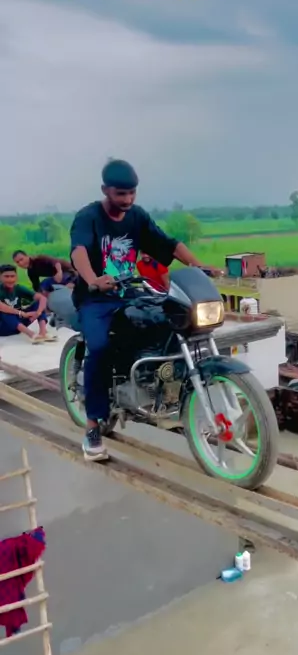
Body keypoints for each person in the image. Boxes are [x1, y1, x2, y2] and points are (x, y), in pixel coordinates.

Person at [70, 158, 221, 462]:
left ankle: (156, 384)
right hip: (96, 298)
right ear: (105, 190)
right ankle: (93, 427)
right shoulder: (88, 217)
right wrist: (94, 280)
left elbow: (167, 244)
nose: (127, 199)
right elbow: (79, 251)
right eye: (120, 193)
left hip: (131, 292)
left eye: (132, 193)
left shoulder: (137, 217)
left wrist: (198, 265)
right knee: (99, 348)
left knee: (170, 322)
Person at [0, 264, 56, 342]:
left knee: (38, 304)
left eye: (12, 276)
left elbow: (42, 298)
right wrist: (22, 313)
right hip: (3, 327)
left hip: (19, 324)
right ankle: (32, 335)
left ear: (16, 277)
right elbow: (1, 307)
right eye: (6, 276)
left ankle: (43, 333)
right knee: (5, 312)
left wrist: (38, 313)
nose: (10, 279)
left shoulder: (18, 288)